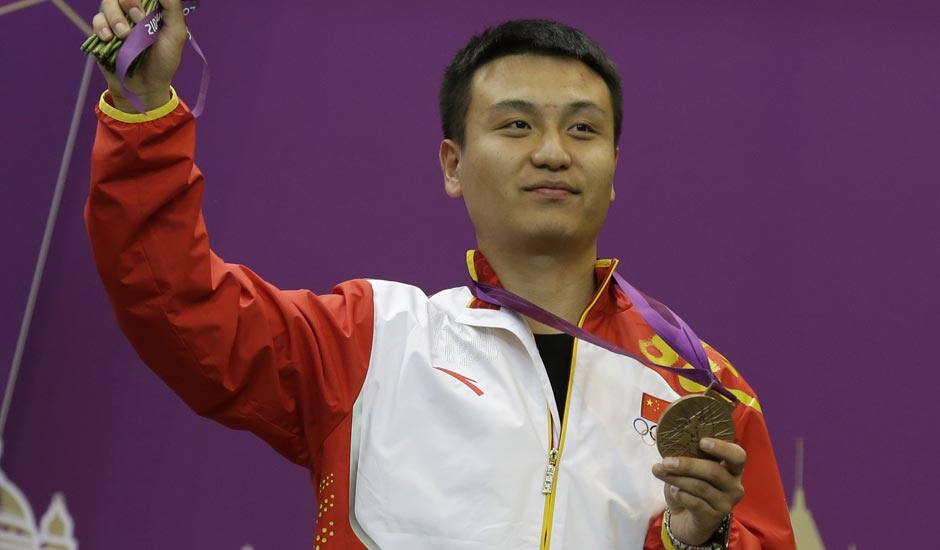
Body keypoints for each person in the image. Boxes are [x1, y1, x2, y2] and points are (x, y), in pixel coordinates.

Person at [85, 1, 795, 548]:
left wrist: (693, 540)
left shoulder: (703, 391)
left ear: (614, 170)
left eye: (583, 129)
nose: (553, 152)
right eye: (516, 126)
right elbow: (174, 300)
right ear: (453, 165)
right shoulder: (369, 342)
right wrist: (145, 109)